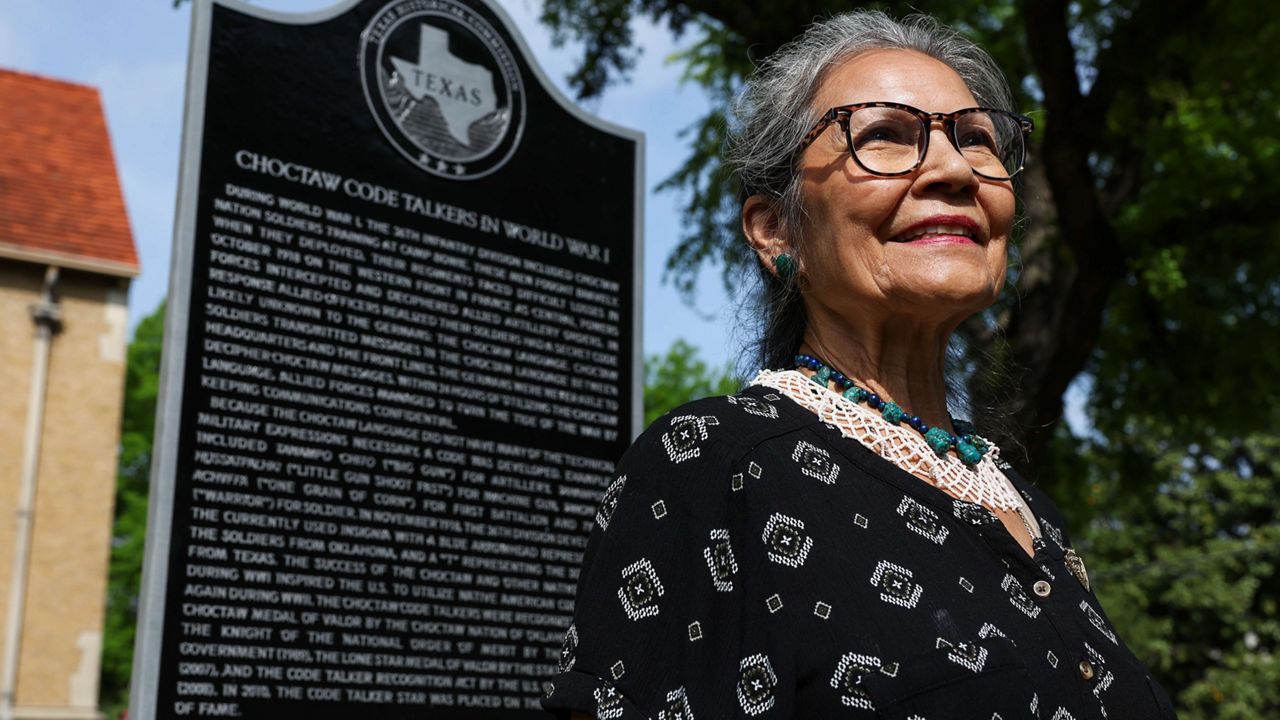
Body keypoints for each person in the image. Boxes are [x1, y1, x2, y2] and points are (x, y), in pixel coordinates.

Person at [541, 10, 1178, 720]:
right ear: (777, 229)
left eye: (976, 138)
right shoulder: (717, 465)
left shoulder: (1025, 504)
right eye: (882, 135)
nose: (954, 169)